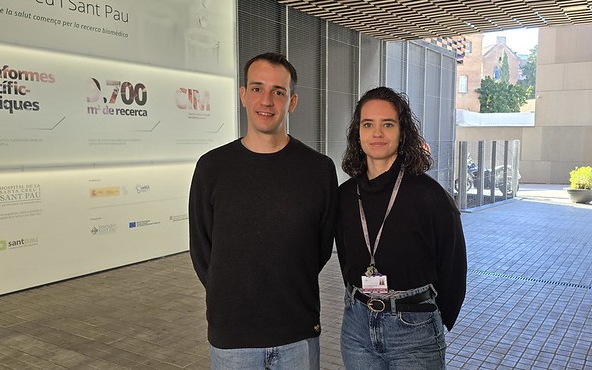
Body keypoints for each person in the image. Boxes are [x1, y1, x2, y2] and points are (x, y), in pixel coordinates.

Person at [188, 52, 339, 370]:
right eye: (257, 88)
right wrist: (228, 292)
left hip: (297, 332)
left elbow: (321, 247)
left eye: (278, 92)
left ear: (292, 102)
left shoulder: (318, 170)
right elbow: (202, 250)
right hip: (232, 337)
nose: (266, 101)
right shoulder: (212, 168)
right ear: (243, 95)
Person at [336, 86, 467, 369]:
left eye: (388, 124)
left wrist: (433, 319)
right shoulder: (345, 195)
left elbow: (453, 264)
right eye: (368, 124)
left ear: (402, 131)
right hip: (357, 326)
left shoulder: (429, 194)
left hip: (414, 329)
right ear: (357, 133)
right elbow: (347, 258)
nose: (377, 133)